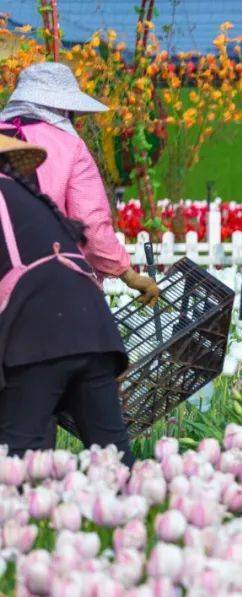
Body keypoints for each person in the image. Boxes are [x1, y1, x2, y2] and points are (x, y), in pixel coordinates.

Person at [0, 135, 133, 465]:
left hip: (39, 333)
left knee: (15, 467)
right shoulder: (22, 196)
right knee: (115, 464)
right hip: (93, 330)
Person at [0, 62, 159, 302]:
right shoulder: (69, 147)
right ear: (63, 109)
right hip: (44, 281)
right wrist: (130, 276)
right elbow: (90, 225)